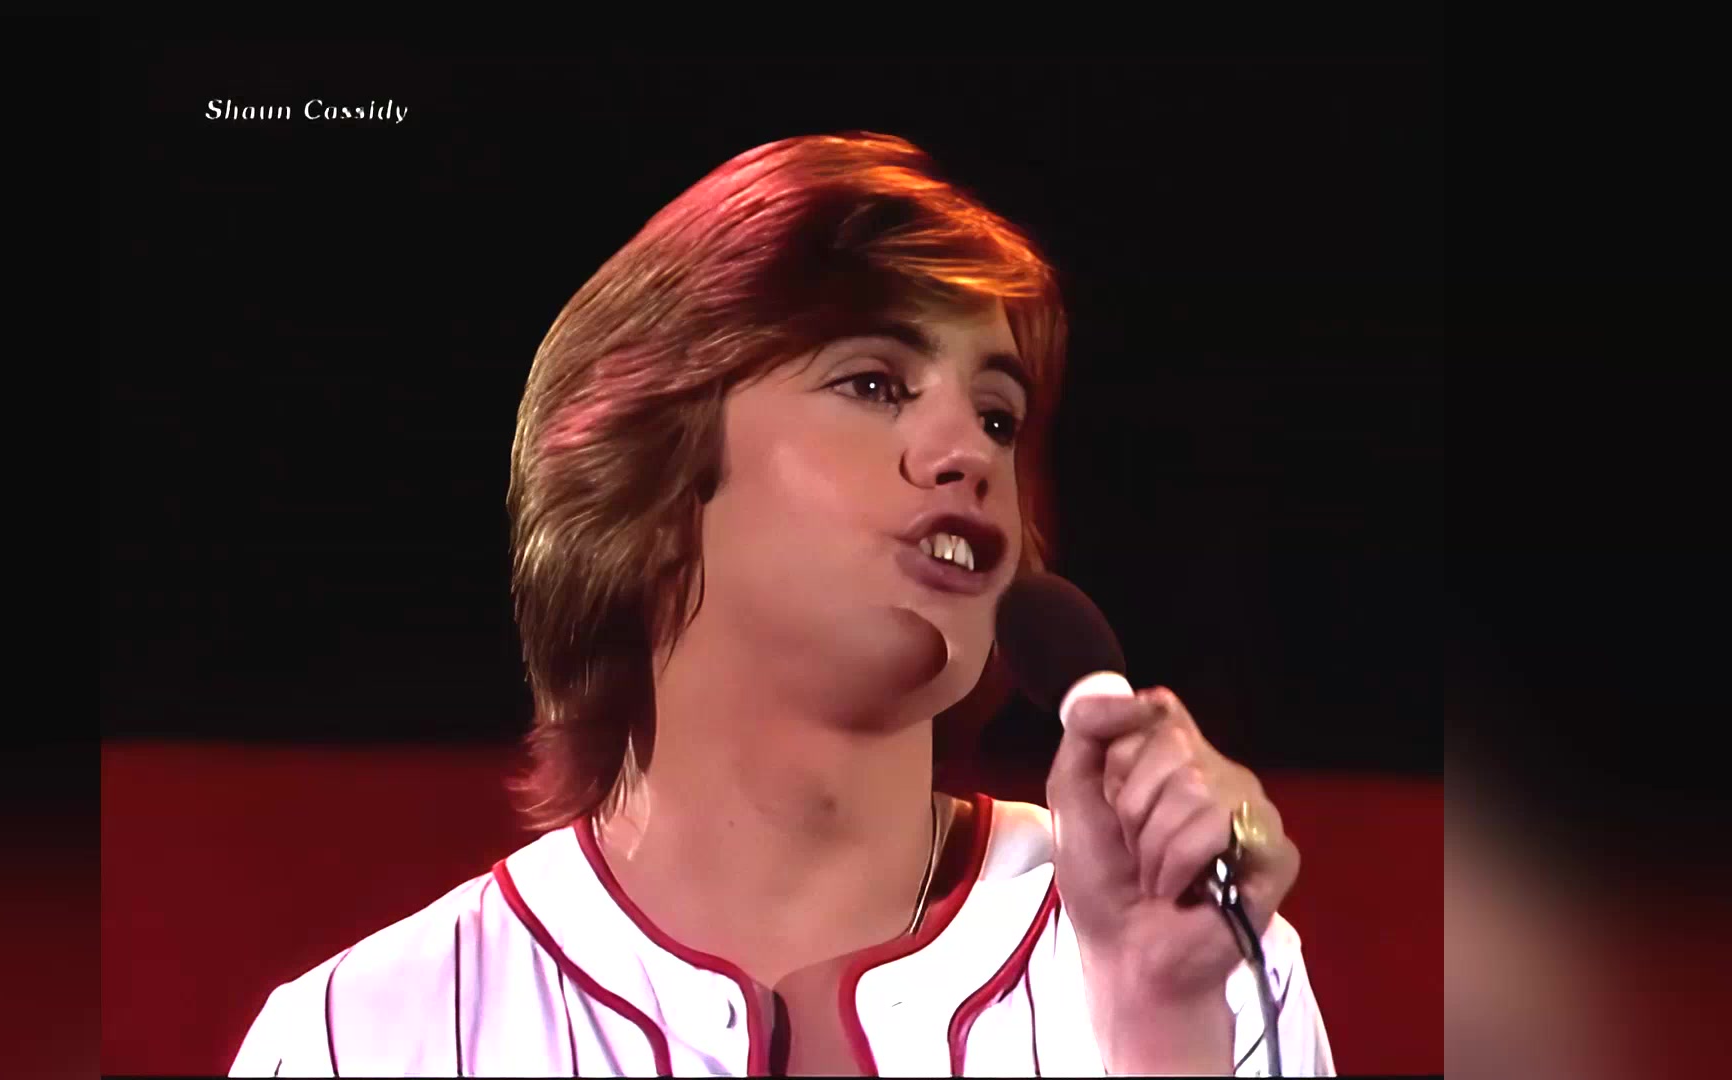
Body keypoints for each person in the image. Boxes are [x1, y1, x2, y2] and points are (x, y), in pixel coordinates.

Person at [229, 131, 1336, 1077]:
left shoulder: (1208, 961)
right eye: (874, 384)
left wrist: (1159, 1027)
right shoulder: (359, 1037)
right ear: (656, 472)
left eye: (998, 416)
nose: (966, 452)